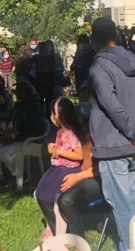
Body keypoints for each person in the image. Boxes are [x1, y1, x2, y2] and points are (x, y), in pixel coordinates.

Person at [88, 17, 135, 251]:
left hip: (114, 146)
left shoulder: (98, 66)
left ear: (93, 39)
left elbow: (111, 105)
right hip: (131, 145)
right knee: (131, 203)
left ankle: (130, 248)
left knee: (123, 205)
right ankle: (131, 245)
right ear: (116, 36)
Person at [35, 97, 85, 241]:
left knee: (48, 196)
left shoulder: (71, 133)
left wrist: (61, 152)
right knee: (41, 194)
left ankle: (59, 230)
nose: (51, 116)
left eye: (52, 113)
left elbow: (79, 154)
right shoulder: (60, 132)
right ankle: (55, 227)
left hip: (67, 170)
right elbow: (61, 148)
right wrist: (53, 147)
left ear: (58, 116)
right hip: (57, 169)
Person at [0, 81, 46, 182]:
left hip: (30, 140)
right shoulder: (19, 106)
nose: (15, 95)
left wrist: (15, 136)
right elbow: (7, 116)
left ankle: (20, 175)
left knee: (2, 152)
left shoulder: (34, 108)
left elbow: (35, 131)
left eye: (17, 92)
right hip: (18, 137)